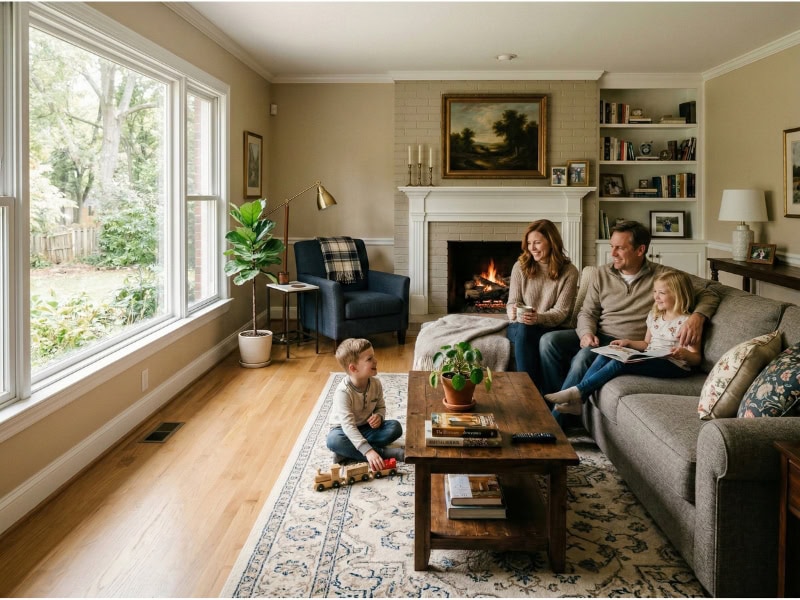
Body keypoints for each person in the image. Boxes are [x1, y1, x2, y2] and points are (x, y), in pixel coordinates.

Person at [538, 220, 719, 402]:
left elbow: (711, 293)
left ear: (640, 250)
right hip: (600, 334)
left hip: (630, 341)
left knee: (583, 357)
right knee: (549, 341)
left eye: (620, 248)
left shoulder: (663, 277)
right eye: (611, 246)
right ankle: (553, 401)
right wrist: (586, 333)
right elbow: (587, 312)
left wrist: (698, 317)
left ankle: (560, 415)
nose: (613, 253)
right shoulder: (600, 274)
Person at [545, 269, 702, 416]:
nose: (656, 297)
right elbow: (647, 344)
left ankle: (578, 392)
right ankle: (579, 399)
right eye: (655, 292)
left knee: (622, 362)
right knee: (606, 354)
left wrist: (685, 354)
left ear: (678, 294)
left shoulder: (687, 323)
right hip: (652, 356)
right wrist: (627, 343)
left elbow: (696, 358)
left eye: (662, 293)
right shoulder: (654, 315)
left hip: (675, 365)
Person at [506, 220, 579, 386]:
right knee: (525, 329)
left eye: (537, 243)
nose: (532, 248)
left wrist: (538, 318)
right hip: (520, 326)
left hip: (551, 327)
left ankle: (531, 392)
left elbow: (561, 312)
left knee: (531, 333)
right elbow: (513, 302)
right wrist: (512, 311)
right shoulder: (520, 266)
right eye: (529, 243)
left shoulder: (569, 271)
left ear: (552, 242)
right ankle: (530, 391)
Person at [327, 338, 404, 469]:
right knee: (334, 440)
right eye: (369, 359)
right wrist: (368, 451)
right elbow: (348, 426)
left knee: (395, 427)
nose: (376, 361)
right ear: (353, 368)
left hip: (366, 428)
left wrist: (379, 417)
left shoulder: (376, 383)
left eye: (373, 357)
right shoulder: (343, 392)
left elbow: (380, 407)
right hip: (343, 430)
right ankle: (384, 453)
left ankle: (347, 452)